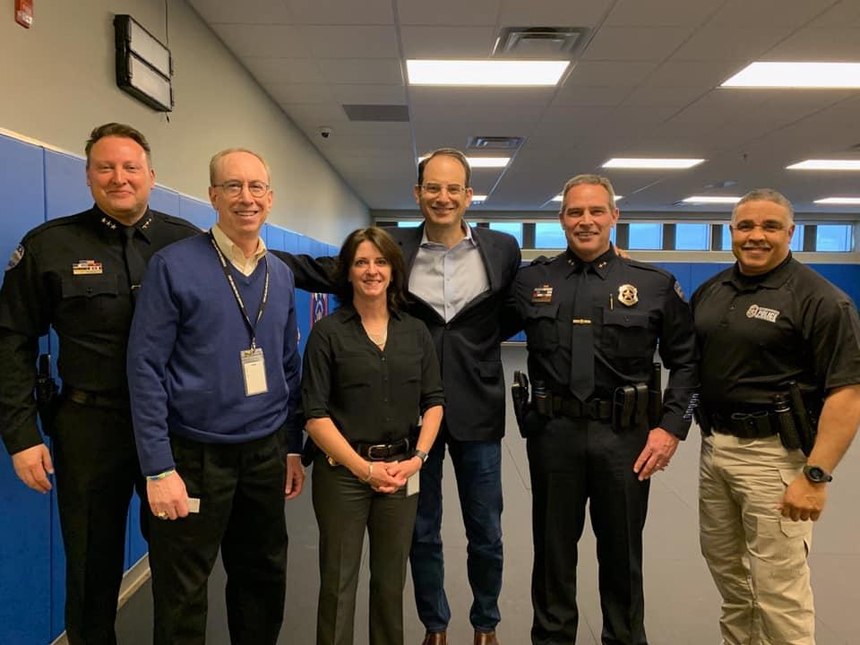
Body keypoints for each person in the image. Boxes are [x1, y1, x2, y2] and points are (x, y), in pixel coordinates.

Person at [279, 148, 520, 645]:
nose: (443, 197)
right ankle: (435, 624)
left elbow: (523, 303)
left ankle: (485, 623)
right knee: (422, 530)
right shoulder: (394, 250)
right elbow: (327, 269)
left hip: (478, 407)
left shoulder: (502, 249)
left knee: (487, 532)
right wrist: (251, 249)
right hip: (411, 417)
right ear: (418, 194)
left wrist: (609, 258)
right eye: (433, 187)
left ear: (469, 196)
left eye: (454, 188)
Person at [0, 123, 199, 644]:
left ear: (151, 176)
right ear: (87, 176)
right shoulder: (50, 245)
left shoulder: (188, 244)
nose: (119, 178)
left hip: (174, 426)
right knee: (91, 566)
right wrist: (21, 435)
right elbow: (12, 341)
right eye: (105, 167)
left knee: (180, 564)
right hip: (90, 426)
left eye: (130, 167)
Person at [508, 174, 698, 644]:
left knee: (622, 557)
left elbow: (688, 362)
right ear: (562, 219)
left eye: (596, 211)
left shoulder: (653, 284)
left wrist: (671, 428)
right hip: (554, 435)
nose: (586, 221)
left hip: (627, 439)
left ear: (615, 216)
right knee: (552, 557)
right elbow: (476, 334)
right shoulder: (533, 281)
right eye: (575, 212)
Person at [126, 148, 305, 644]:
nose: (245, 198)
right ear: (212, 196)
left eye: (256, 187)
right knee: (183, 590)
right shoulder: (174, 266)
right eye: (232, 186)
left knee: (262, 579)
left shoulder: (282, 275)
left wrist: (291, 445)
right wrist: (158, 469)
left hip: (265, 452)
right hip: (193, 455)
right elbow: (144, 369)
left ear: (270, 199)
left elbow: (287, 368)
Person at [692, 188, 860, 645]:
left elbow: (847, 394)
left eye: (769, 227)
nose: (756, 236)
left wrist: (816, 475)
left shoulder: (820, 300)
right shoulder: (714, 290)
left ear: (791, 232)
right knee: (732, 579)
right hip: (715, 451)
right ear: (731, 232)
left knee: (777, 589)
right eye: (746, 226)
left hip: (775, 459)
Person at [301, 226, 445, 645]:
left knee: (389, 585)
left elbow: (434, 401)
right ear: (347, 272)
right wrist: (364, 469)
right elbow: (314, 415)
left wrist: (417, 458)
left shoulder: (415, 331)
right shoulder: (328, 332)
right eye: (361, 262)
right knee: (338, 585)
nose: (371, 270)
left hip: (402, 474)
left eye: (380, 261)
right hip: (344, 474)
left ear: (394, 271)